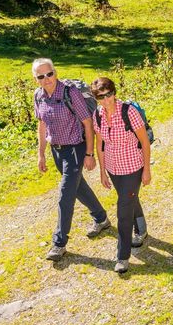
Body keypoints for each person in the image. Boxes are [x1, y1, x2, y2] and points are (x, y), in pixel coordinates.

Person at [33, 58, 110, 261]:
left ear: (55, 73)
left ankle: (59, 243)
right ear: (36, 79)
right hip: (56, 151)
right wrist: (41, 153)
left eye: (49, 74)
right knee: (77, 188)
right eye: (41, 76)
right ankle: (101, 218)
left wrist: (89, 153)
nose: (46, 79)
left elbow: (87, 122)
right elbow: (41, 125)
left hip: (75, 148)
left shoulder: (69, 92)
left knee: (65, 194)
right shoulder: (38, 96)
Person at [90, 77, 152, 274]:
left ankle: (122, 256)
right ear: (96, 98)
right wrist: (102, 171)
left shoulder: (129, 111)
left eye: (109, 94)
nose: (106, 99)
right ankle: (141, 229)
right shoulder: (97, 114)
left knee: (123, 209)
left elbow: (144, 141)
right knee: (129, 199)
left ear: (114, 93)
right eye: (101, 96)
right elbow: (100, 145)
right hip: (113, 168)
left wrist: (147, 169)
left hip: (133, 166)